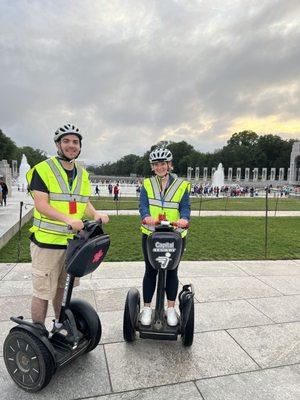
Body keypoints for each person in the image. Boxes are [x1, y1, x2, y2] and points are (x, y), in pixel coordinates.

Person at [26, 124, 109, 326]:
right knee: (43, 292)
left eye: (75, 142)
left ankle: (59, 324)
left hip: (72, 244)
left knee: (62, 289)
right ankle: (38, 334)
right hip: (46, 243)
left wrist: (95, 212)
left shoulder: (82, 174)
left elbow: (82, 201)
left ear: (80, 146)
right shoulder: (43, 169)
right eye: (66, 141)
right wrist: (67, 219)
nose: (71, 145)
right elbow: (41, 204)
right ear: (58, 144)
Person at [139, 147, 190, 327]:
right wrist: (146, 217)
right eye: (156, 164)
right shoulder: (147, 184)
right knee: (150, 270)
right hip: (151, 234)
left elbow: (185, 207)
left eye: (163, 164)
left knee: (172, 271)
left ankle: (170, 308)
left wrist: (184, 219)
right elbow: (143, 205)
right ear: (152, 167)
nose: (160, 167)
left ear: (169, 165)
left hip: (175, 234)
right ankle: (146, 308)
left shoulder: (181, 185)